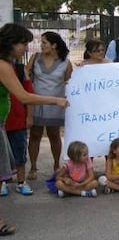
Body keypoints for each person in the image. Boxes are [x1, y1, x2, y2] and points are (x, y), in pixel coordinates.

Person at [0, 23, 68, 234]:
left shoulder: (7, 63)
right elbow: (24, 96)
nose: (26, 49)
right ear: (11, 43)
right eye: (23, 44)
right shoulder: (3, 65)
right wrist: (55, 100)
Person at [27, 31, 73, 179]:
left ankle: (56, 165)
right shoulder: (35, 58)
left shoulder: (66, 62)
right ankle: (33, 167)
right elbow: (26, 76)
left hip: (55, 105)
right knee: (35, 134)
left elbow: (69, 82)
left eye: (44, 43)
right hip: (36, 103)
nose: (41, 45)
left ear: (54, 45)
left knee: (54, 135)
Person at [5, 60, 34, 195]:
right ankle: (3, 181)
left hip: (17, 119)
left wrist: (29, 116)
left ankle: (21, 182)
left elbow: (28, 93)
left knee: (20, 153)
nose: (26, 48)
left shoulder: (21, 69)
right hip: (3, 120)